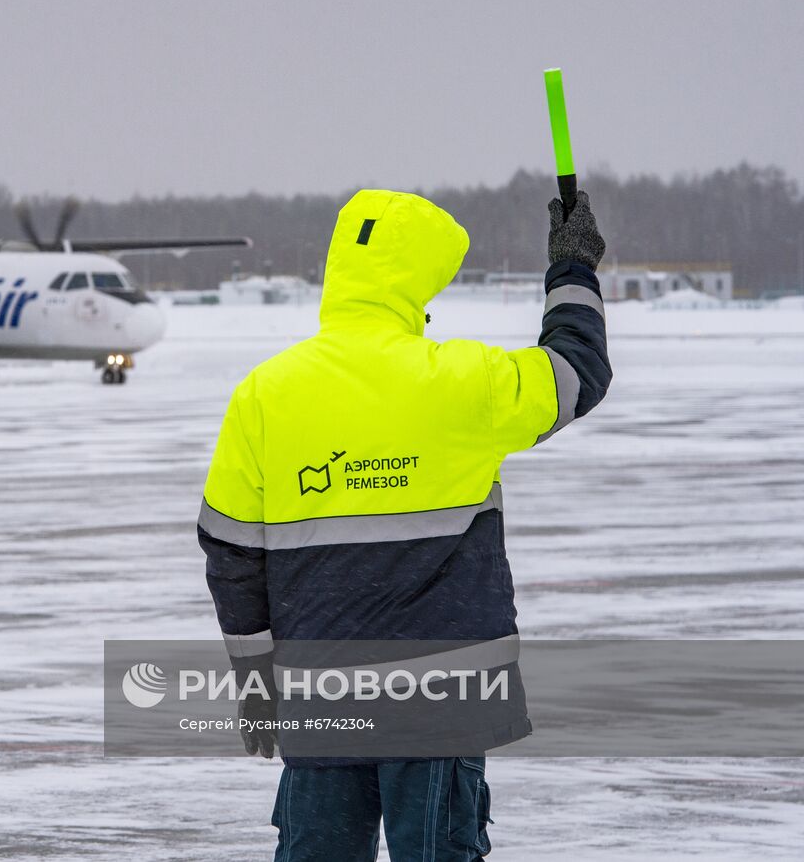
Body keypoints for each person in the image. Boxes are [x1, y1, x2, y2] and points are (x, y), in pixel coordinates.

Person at [198, 189, 611, 860]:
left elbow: (233, 556)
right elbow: (574, 372)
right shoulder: (460, 380)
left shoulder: (263, 395)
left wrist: (255, 682)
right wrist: (572, 267)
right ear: (421, 280)